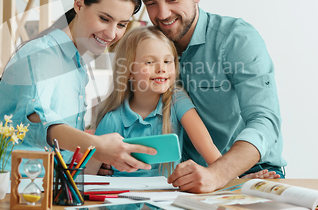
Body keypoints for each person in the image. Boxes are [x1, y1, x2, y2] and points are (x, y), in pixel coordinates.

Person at [0, 0, 156, 177]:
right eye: (104, 18)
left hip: (27, 188)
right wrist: (96, 145)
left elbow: (50, 147)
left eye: (121, 24)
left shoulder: (76, 64)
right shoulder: (43, 53)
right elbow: (37, 117)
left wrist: (90, 162)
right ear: (79, 4)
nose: (112, 33)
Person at [130, 0, 287, 192]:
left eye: (173, 0)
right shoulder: (146, 48)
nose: (162, 14)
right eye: (151, 3)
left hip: (249, 172)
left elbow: (265, 121)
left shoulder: (237, 39)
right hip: (180, 176)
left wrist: (218, 174)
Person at [93, 26, 222, 177]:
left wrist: (236, 182)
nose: (162, 68)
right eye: (149, 62)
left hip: (169, 197)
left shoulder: (177, 100)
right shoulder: (112, 120)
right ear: (128, 72)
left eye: (168, 61)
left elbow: (209, 149)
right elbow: (88, 175)